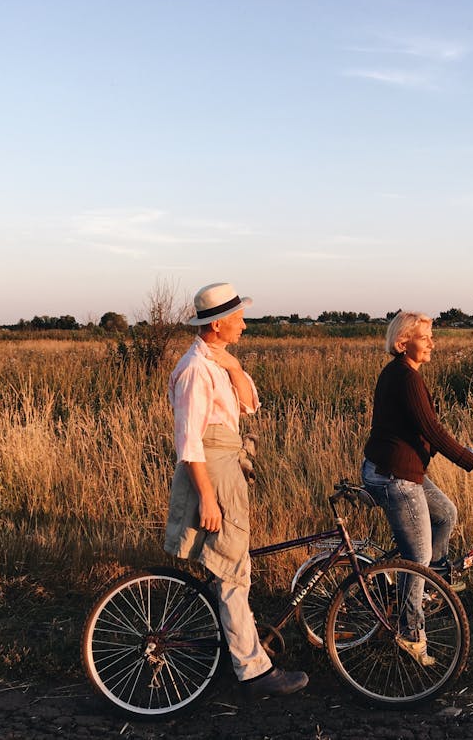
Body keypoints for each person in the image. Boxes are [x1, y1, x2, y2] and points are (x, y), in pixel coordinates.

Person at [164, 282, 308, 699]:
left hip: (227, 464)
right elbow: (188, 443)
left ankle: (233, 651)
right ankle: (252, 670)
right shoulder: (194, 368)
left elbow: (249, 404)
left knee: (231, 565)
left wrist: (231, 366)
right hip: (214, 469)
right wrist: (207, 498)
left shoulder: (216, 363)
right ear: (217, 324)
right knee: (231, 570)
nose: (244, 324)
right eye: (238, 318)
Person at [361, 311, 473, 666]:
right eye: (425, 337)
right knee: (416, 559)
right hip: (394, 476)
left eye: (432, 336)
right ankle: (409, 633)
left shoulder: (404, 374)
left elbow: (425, 429)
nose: (432, 343)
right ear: (404, 343)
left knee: (445, 513)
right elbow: (432, 430)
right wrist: (472, 458)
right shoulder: (405, 378)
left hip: (402, 470)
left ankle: (426, 589)